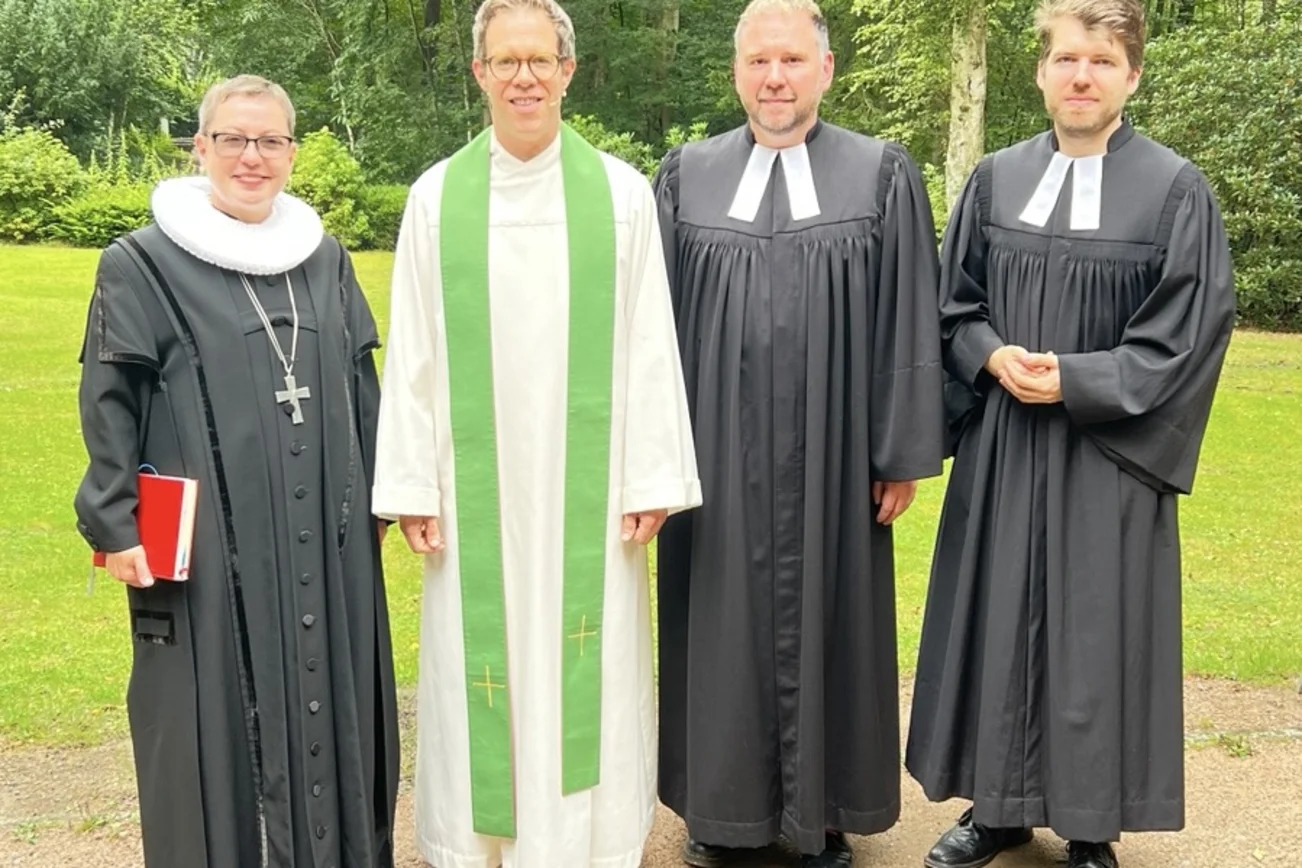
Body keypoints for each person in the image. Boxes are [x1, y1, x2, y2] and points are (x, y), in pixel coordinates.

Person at [904, 1, 1236, 867]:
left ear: (1132, 74)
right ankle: (997, 809)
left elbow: (1189, 330)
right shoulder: (996, 179)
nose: (1080, 75)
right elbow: (952, 305)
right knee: (996, 621)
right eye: (1065, 59)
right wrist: (990, 355)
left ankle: (1090, 825)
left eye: (1101, 60)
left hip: (1106, 454)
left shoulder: (1174, 189)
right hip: (1006, 447)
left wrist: (1081, 378)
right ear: (1043, 72)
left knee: (1094, 637)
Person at [370, 1, 702, 865]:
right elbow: (412, 350)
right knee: (475, 672)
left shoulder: (623, 196)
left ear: (567, 71)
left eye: (539, 59)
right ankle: (478, 847)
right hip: (470, 490)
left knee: (586, 672)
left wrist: (649, 477)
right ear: (479, 72)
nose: (524, 75)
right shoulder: (436, 197)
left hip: (588, 500)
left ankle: (588, 847)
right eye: (505, 60)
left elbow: (649, 342)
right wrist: (410, 485)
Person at [74, 75, 400, 867]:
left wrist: (383, 501)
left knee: (339, 699)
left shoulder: (323, 260)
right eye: (234, 139)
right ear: (201, 147)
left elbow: (363, 386)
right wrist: (115, 521)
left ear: (292, 151)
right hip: (211, 550)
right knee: (213, 715)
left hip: (325, 535)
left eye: (271, 141)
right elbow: (108, 397)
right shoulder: (140, 264)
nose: (252, 157)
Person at [651, 1, 946, 865]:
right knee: (716, 626)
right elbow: (649, 331)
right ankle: (719, 810)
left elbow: (907, 319)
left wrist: (898, 454)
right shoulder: (685, 176)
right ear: (736, 70)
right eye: (757, 62)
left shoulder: (882, 174)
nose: (773, 78)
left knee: (833, 618)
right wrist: (654, 457)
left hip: (836, 454)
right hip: (711, 454)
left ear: (825, 68)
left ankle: (820, 813)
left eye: (790, 60)